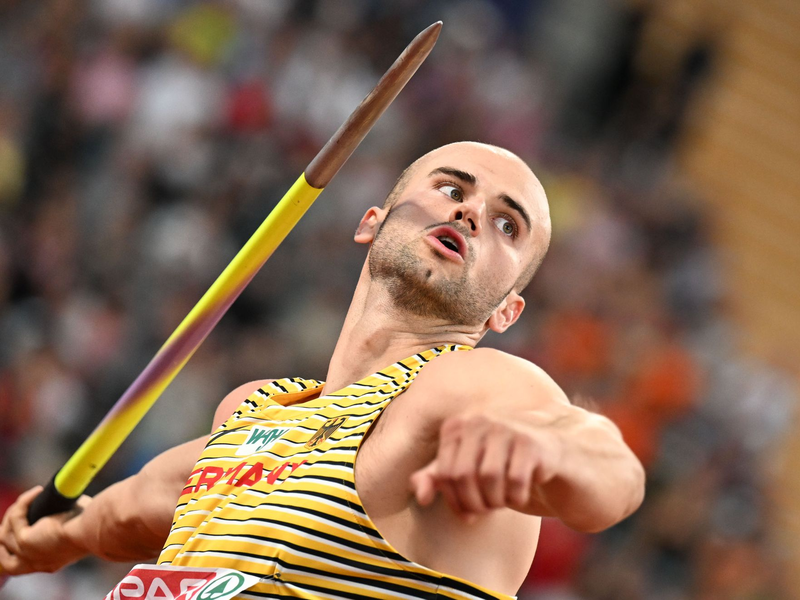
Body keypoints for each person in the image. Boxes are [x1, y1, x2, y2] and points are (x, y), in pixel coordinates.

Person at [0, 142, 645, 599]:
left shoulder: (467, 388)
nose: (470, 213)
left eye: (507, 225)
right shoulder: (253, 411)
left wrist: (546, 449)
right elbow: (134, 507)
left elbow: (607, 467)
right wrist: (55, 536)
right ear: (372, 223)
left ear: (507, 310)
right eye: (452, 189)